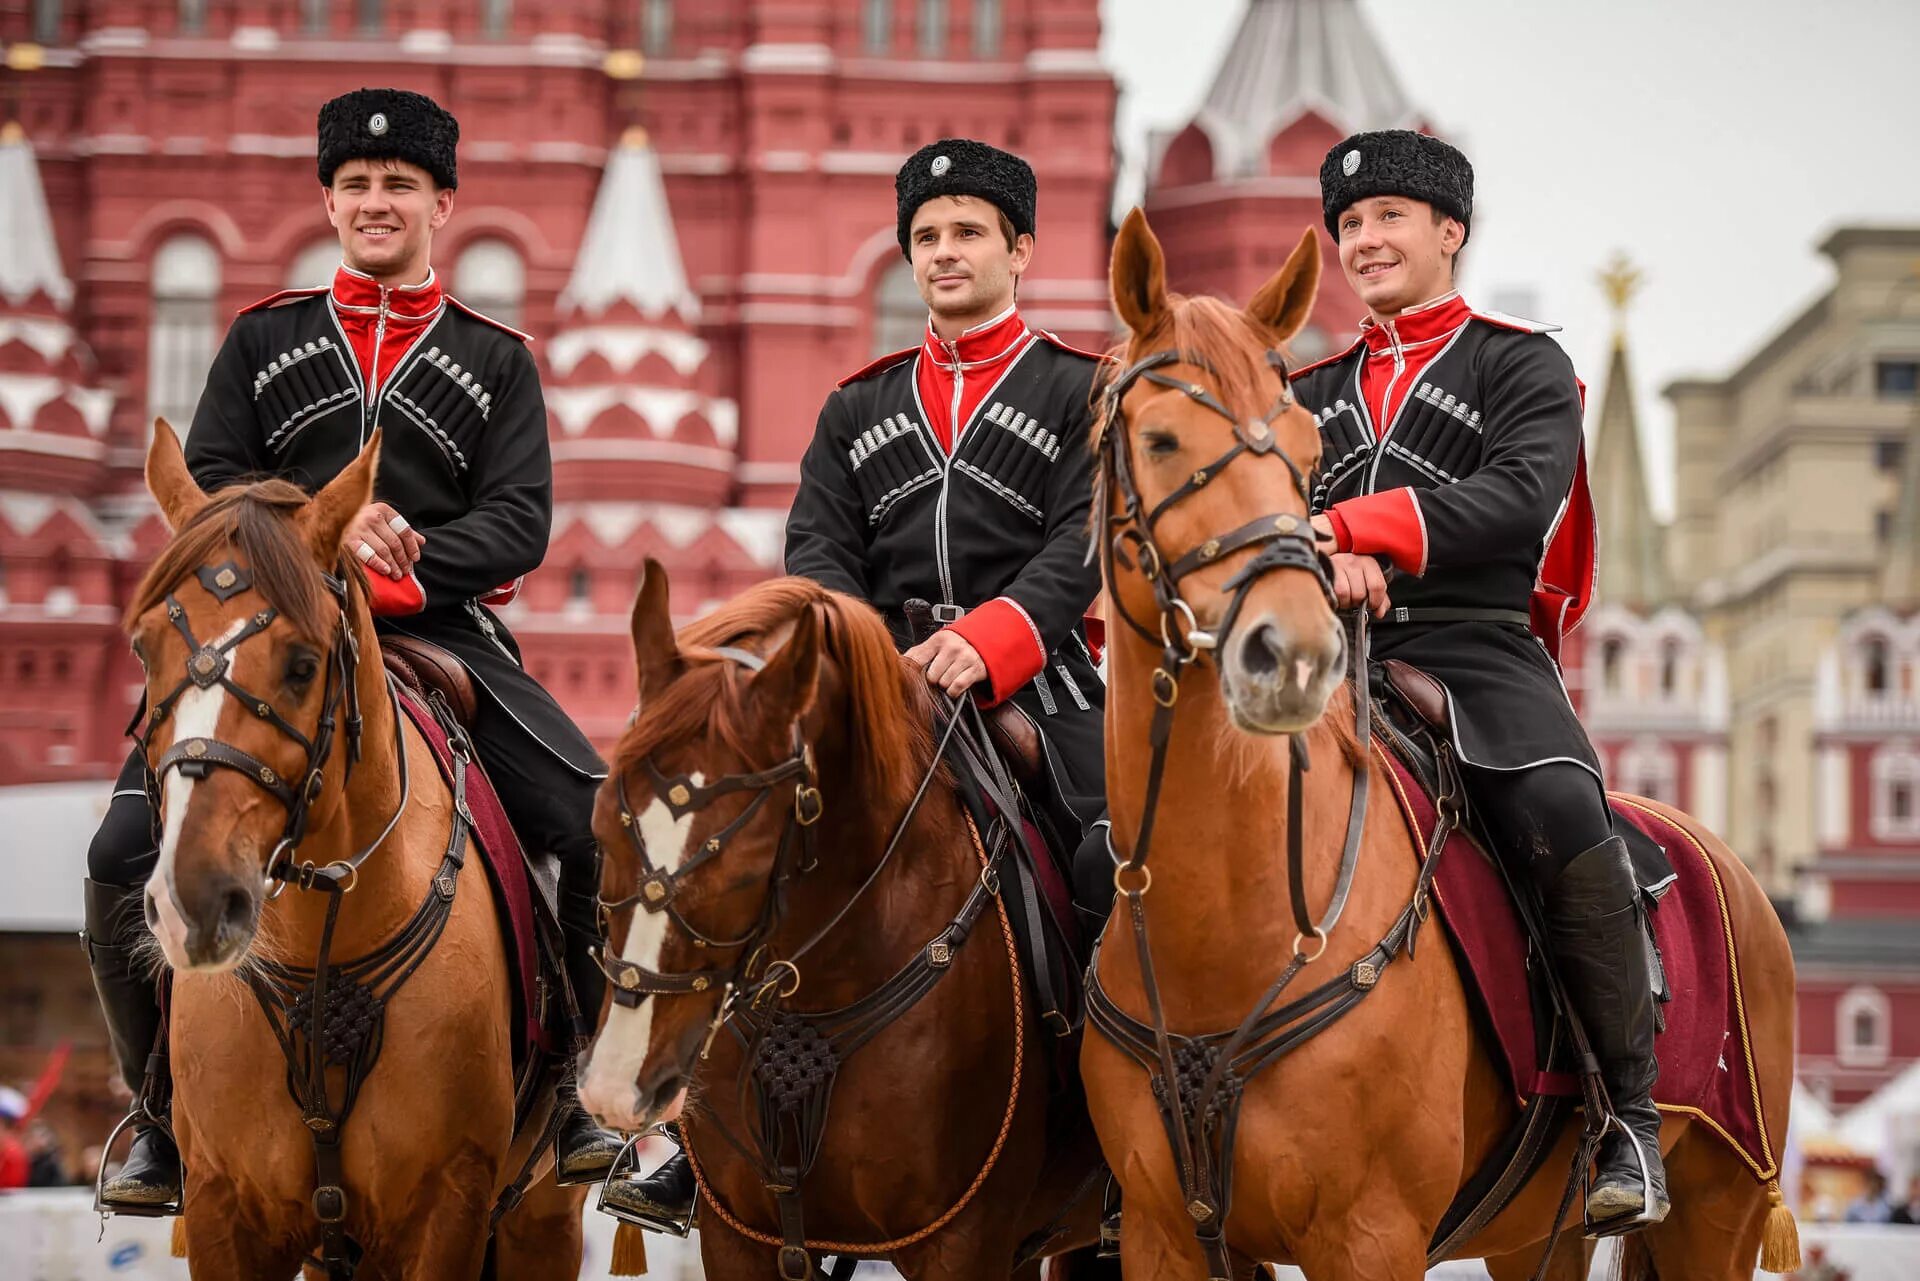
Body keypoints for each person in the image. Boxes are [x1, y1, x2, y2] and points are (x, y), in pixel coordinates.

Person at [82, 87, 622, 1211]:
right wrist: (314, 536)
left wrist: (400, 561)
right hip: (271, 628)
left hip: (437, 628)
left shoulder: (496, 358)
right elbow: (216, 486)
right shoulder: (263, 337)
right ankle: (156, 1116)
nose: (378, 203)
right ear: (330, 202)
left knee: (590, 827)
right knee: (120, 847)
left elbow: (520, 520)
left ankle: (568, 1095)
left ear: (443, 205)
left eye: (402, 188)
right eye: (358, 186)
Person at [606, 137, 1108, 1233]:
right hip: (873, 689)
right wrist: (870, 660)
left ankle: (1126, 1126)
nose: (943, 253)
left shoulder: (1083, 391)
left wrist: (995, 635)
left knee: (1115, 854)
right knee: (742, 852)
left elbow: (1086, 543)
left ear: (1020, 249)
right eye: (925, 238)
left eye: (967, 233)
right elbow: (818, 550)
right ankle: (698, 1137)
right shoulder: (855, 406)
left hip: (1042, 688)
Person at [1293, 129, 1666, 1229]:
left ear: (1449, 232)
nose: (1364, 240)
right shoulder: (1305, 387)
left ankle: (1627, 1119)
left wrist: (1364, 527)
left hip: (1472, 647)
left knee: (1555, 804)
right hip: (1322, 654)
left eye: (1388, 219)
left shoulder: (1520, 360)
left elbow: (1518, 498)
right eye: (1349, 225)